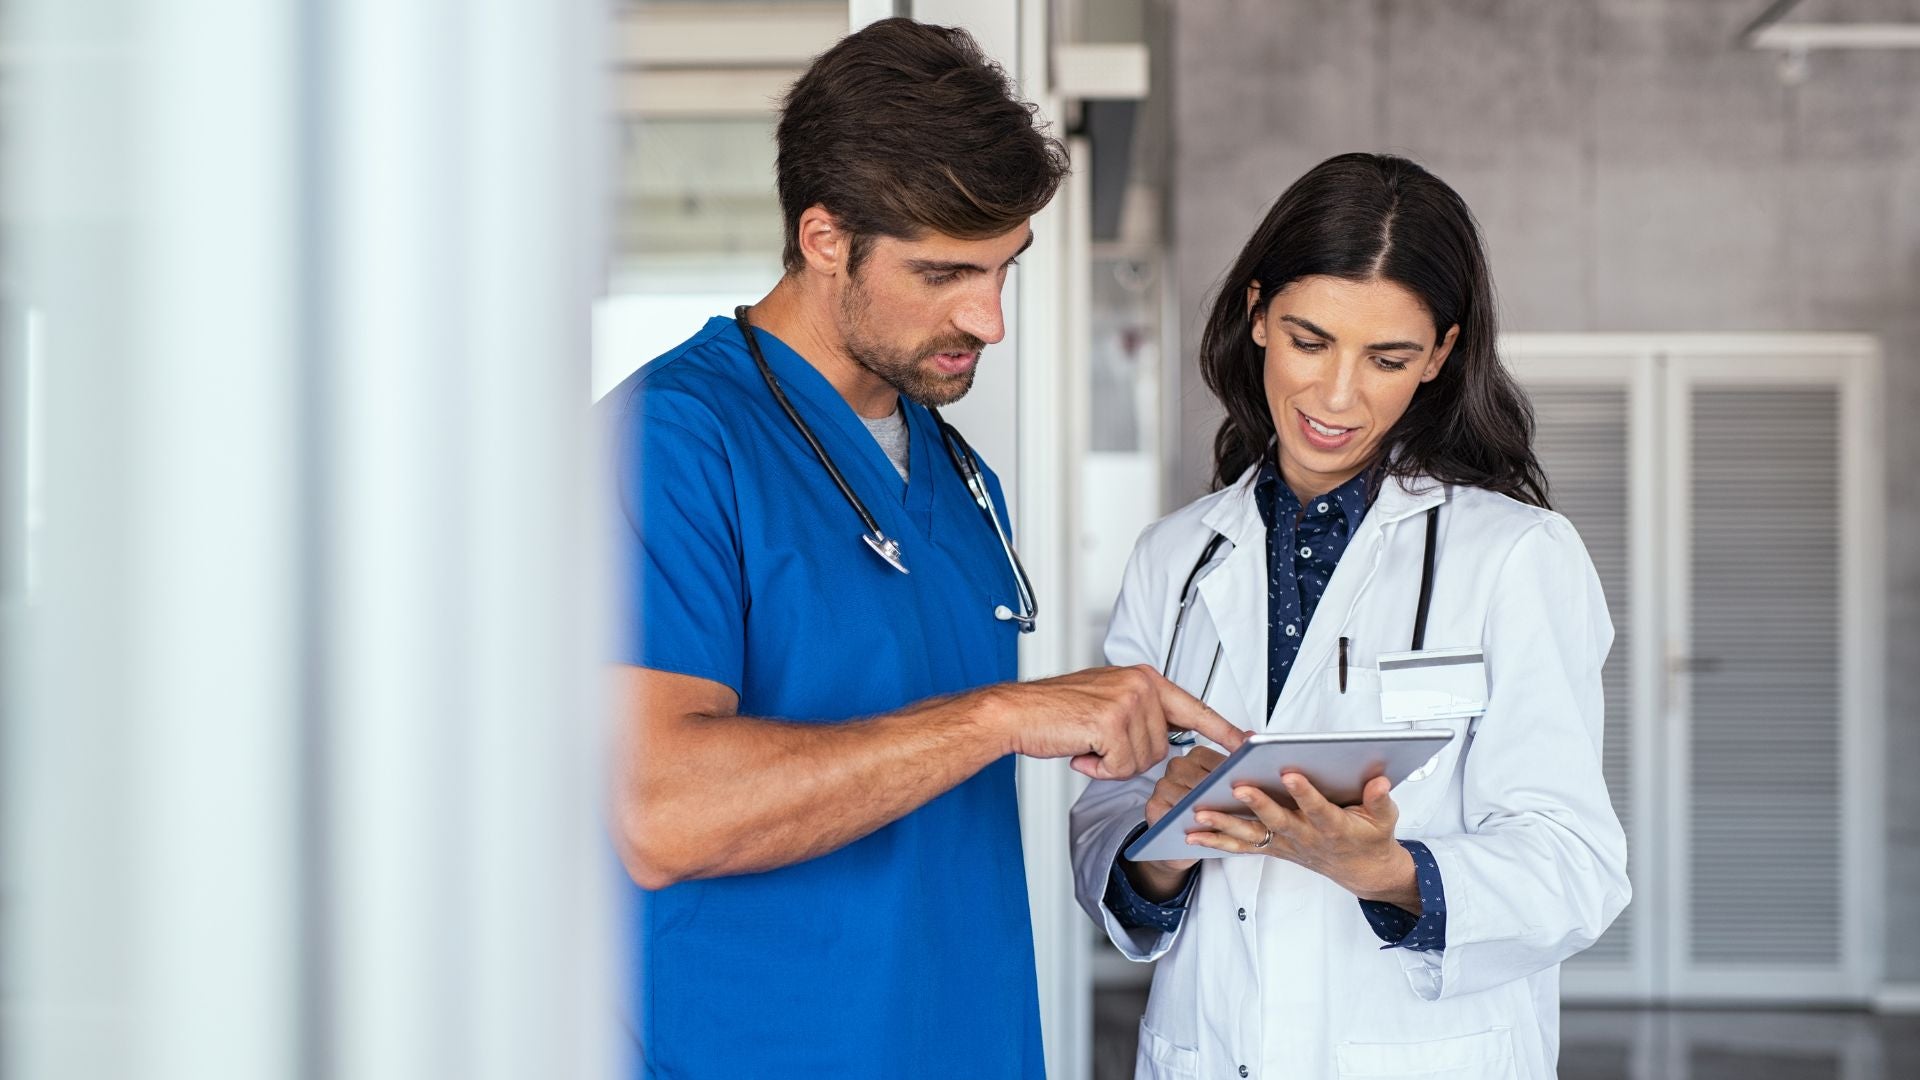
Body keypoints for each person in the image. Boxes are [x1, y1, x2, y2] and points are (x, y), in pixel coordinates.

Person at [602, 18, 1241, 1079]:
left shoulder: (955, 472)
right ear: (822, 239)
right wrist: (996, 717)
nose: (988, 319)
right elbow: (662, 812)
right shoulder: (670, 444)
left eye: (1004, 268)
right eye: (945, 272)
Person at [1070, 153, 1631, 1079]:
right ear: (1257, 314)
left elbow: (1575, 864)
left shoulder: (1518, 555)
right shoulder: (1173, 559)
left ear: (1441, 356)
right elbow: (1103, 833)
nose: (1337, 396)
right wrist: (1159, 844)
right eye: (1310, 339)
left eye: (1388, 358)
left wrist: (1384, 869)